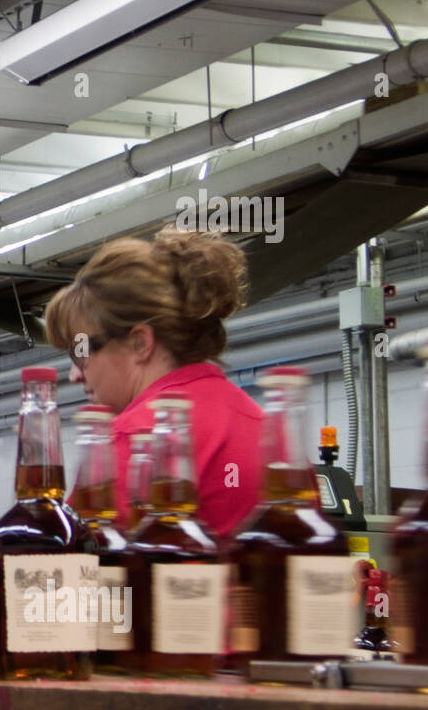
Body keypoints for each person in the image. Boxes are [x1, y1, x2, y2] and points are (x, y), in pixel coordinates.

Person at [43, 227, 264, 537]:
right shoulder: (265, 429)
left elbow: (67, 573)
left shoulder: (127, 444)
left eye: (80, 352)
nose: (74, 374)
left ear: (139, 344)